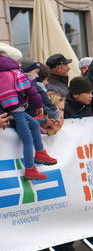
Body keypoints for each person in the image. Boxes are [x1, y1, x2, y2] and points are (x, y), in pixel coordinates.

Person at [0, 48, 57, 180]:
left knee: (34, 124)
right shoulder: (15, 71)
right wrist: (39, 105)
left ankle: (40, 152)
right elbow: (31, 90)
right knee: (27, 140)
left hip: (10, 108)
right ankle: (30, 169)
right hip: (17, 109)